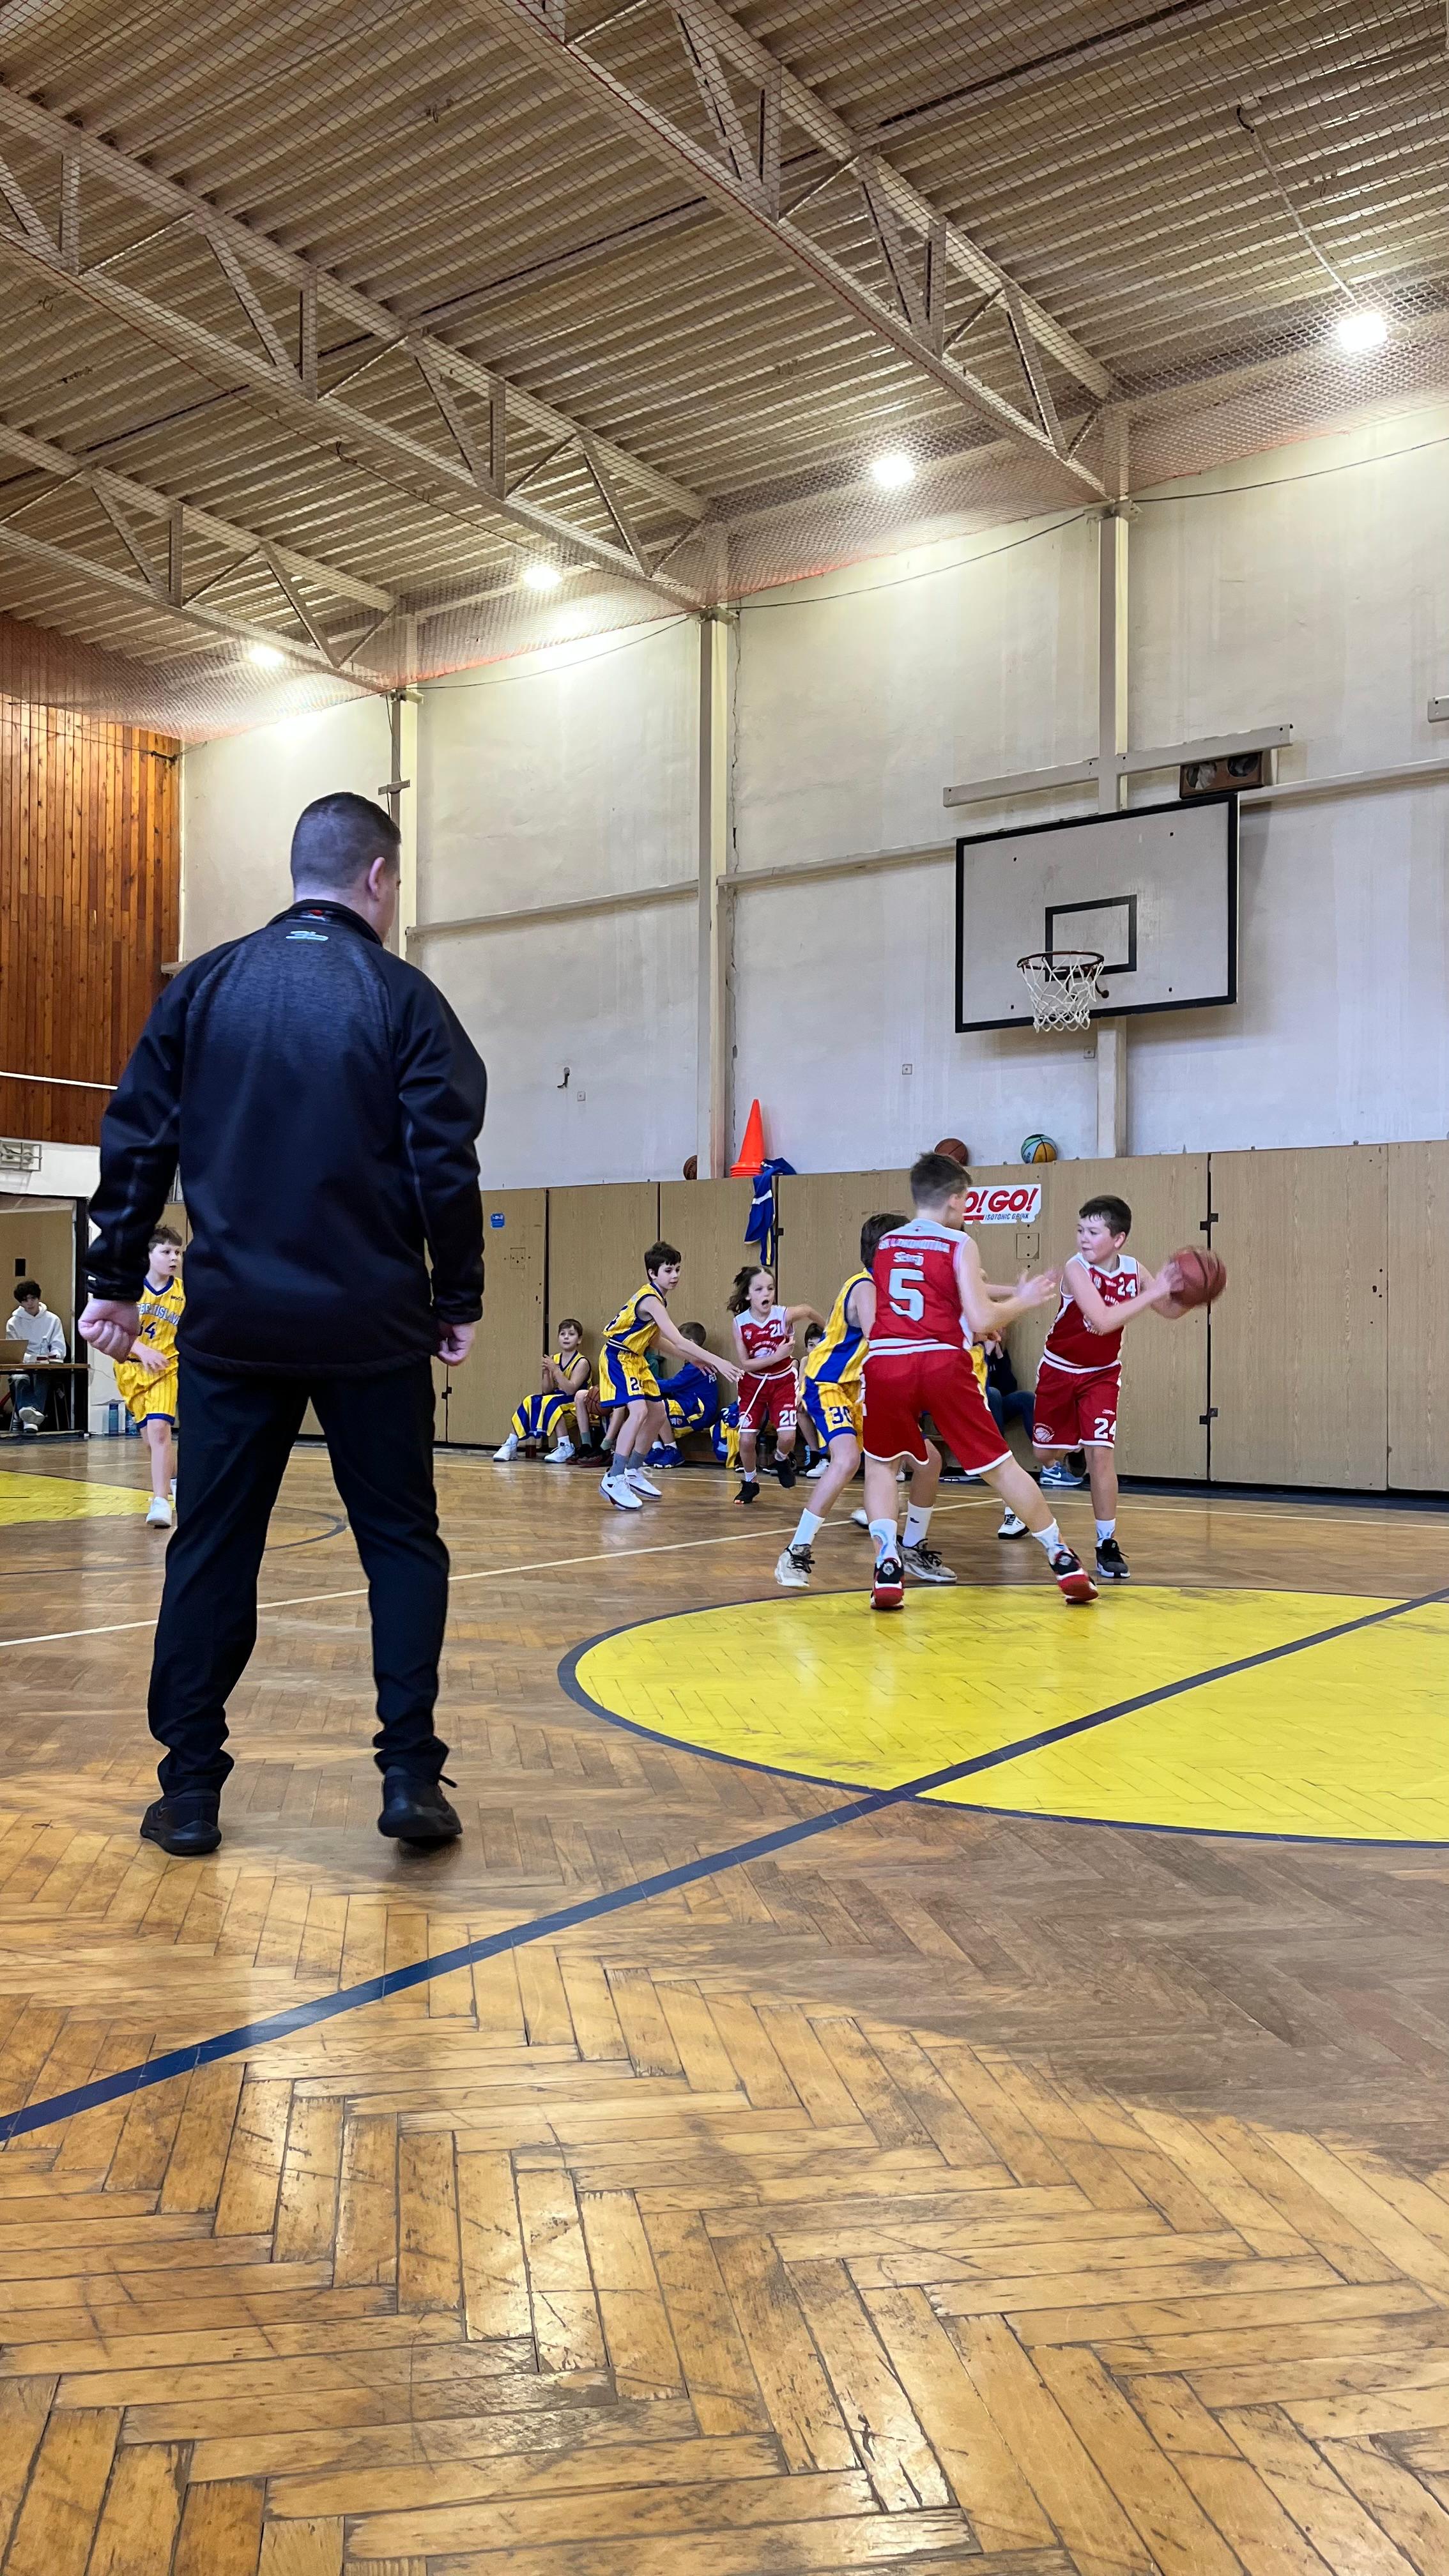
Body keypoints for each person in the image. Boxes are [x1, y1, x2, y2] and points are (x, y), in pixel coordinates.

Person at [80, 791, 487, 1860]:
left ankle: (189, 1792)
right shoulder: (405, 997)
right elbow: (444, 1163)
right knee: (400, 1541)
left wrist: (113, 1278)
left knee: (213, 1546)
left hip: (235, 1323)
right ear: (379, 878)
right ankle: (409, 1776)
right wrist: (458, 1295)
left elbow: (137, 1136)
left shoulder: (205, 986)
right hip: (372, 1321)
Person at [858, 1153, 1098, 1611]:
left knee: (881, 1466)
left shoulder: (886, 1244)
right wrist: (1024, 1299)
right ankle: (1061, 1556)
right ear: (953, 1199)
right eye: (966, 1200)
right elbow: (982, 1317)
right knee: (1001, 1467)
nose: (967, 1208)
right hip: (941, 1361)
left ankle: (887, 1562)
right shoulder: (958, 1243)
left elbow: (919, 1301)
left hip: (887, 1362)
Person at [1027, 1193, 1175, 1581]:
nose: (1083, 1238)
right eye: (1081, 1230)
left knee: (1102, 1456)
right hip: (1059, 1371)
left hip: (1102, 1375)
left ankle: (1106, 1542)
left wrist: (1190, 1291)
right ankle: (1072, 1449)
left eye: (1093, 1232)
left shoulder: (1134, 1270)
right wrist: (1153, 1292)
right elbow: (1104, 1320)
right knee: (1044, 1453)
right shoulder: (1076, 1269)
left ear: (1118, 1238)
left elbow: (1169, 1309)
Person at [778, 1213, 905, 1588]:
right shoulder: (865, 1286)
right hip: (828, 1382)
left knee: (916, 1457)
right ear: (886, 1250)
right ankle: (796, 1550)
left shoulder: (888, 1287)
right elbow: (879, 1337)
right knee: (847, 1458)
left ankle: (906, 1541)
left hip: (856, 1386)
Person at [598, 1243, 738, 1511]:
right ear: (653, 1273)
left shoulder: (658, 1299)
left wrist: (694, 1358)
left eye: (677, 1270)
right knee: (638, 1411)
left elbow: (655, 1340)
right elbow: (679, 1340)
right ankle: (614, 1477)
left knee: (658, 1413)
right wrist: (717, 1360)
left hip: (635, 1358)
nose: (675, 1275)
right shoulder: (650, 1300)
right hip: (618, 1356)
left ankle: (633, 1471)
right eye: (668, 1270)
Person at [728, 1266, 822, 1503]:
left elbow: (808, 1310)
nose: (766, 1293)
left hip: (782, 1383)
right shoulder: (740, 1323)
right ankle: (750, 1482)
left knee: (788, 1437)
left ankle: (780, 1458)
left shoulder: (783, 1315)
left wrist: (832, 1333)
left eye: (770, 1288)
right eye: (759, 1289)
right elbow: (746, 1364)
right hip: (753, 1386)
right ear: (748, 1295)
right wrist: (778, 1356)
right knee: (746, 1440)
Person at [111, 1227, 184, 1524]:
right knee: (152, 1442)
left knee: (160, 1431)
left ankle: (160, 1502)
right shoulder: (128, 1290)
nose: (174, 1258)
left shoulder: (184, 1293)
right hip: (130, 1370)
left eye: (178, 1252)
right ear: (148, 1255)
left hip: (166, 1369)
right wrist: (141, 1350)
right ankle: (177, 1481)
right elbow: (110, 1331)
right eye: (166, 1252)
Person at [494, 1320, 590, 1463]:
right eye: (562, 1334)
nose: (566, 1337)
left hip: (575, 1402)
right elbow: (547, 1390)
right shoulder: (554, 1359)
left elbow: (571, 1390)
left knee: (551, 1403)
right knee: (530, 1400)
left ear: (579, 1339)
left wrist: (555, 1370)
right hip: (555, 1398)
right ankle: (511, 1443)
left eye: (571, 1334)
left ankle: (565, 1446)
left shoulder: (582, 1362)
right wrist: (546, 1373)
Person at [649, 1322, 721, 1465]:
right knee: (649, 1402)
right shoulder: (700, 1361)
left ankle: (672, 1450)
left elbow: (673, 1385)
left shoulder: (698, 1365)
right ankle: (657, 1448)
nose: (676, 1348)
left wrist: (648, 1381)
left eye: (678, 1343)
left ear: (691, 1343)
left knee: (658, 1407)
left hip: (699, 1412)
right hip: (690, 1405)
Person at [4, 1278, 65, 1436]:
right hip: (21, 1365)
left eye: (33, 1298)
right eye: (25, 1300)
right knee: (20, 1378)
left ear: (39, 1298)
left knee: (42, 1375)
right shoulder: (13, 1322)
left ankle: (25, 1414)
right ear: (21, 1303)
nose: (30, 1303)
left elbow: (59, 1347)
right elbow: (14, 1352)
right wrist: (31, 1359)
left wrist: (54, 1356)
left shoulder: (53, 1320)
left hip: (44, 1365)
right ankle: (31, 1419)